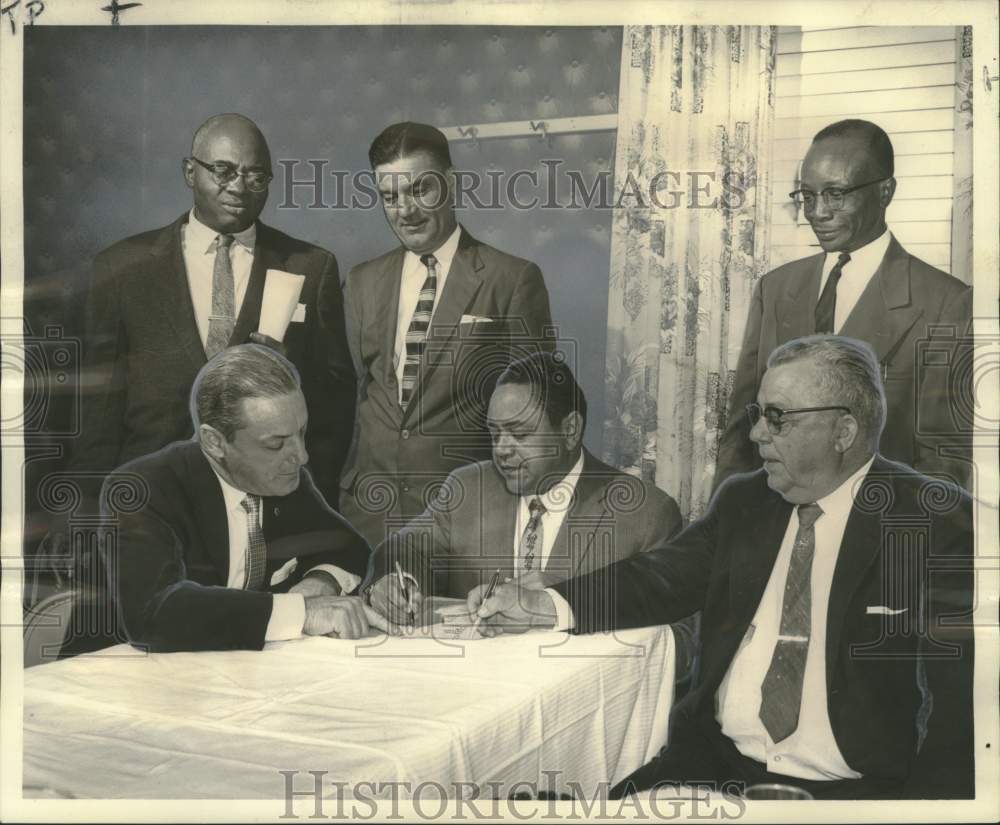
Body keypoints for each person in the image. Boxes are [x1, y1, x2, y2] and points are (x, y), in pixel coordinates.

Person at [472, 336, 974, 800]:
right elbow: (661, 575)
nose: (756, 433)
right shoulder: (747, 500)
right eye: (759, 413)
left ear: (843, 430)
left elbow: (960, 714)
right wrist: (548, 602)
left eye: (778, 418)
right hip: (713, 766)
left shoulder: (935, 520)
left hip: (853, 793)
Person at [71, 113, 355, 506]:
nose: (239, 187)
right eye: (223, 170)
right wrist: (86, 513)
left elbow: (333, 407)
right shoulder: (121, 269)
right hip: (148, 500)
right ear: (190, 172)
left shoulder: (310, 266)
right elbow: (96, 414)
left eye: (256, 176)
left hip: (265, 507)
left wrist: (308, 501)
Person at [714, 119, 972, 492]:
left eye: (836, 194)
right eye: (807, 196)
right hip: (771, 529)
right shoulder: (774, 288)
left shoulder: (947, 302)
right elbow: (740, 433)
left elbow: (943, 462)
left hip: (873, 531)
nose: (817, 212)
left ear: (886, 192)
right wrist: (726, 533)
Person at [340, 121, 554, 548]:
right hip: (366, 519)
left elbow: (532, 414)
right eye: (390, 196)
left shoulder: (511, 280)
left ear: (451, 184)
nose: (406, 210)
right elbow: (345, 397)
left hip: (466, 520)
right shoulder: (361, 282)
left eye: (421, 189)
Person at [364, 351, 683, 618]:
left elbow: (679, 642)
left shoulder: (646, 515)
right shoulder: (467, 488)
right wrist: (398, 580)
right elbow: (406, 546)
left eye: (520, 433)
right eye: (495, 433)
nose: (501, 448)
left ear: (570, 430)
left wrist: (559, 603)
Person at [104, 345, 378, 653]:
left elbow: (347, 546)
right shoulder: (142, 489)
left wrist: (319, 583)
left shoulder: (280, 477)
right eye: (276, 444)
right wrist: (300, 613)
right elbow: (153, 614)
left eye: (301, 433)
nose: (301, 456)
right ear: (214, 442)